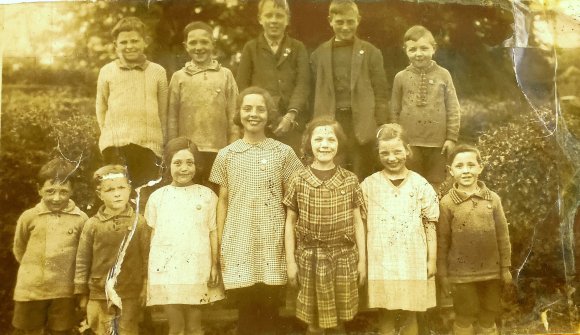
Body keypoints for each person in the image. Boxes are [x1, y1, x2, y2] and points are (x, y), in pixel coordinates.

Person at [209, 86, 303, 335]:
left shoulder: (283, 152)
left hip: (272, 241)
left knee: (270, 313)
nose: (254, 114)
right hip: (239, 240)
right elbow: (223, 202)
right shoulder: (226, 155)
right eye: (247, 108)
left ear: (269, 114)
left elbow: (294, 202)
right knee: (247, 314)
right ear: (238, 113)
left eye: (260, 109)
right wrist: (219, 243)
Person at [284, 118, 366, 335]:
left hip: (343, 257)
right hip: (310, 258)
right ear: (308, 142)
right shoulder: (299, 179)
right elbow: (290, 222)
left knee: (338, 320)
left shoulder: (350, 180)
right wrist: (291, 262)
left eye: (331, 139)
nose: (324, 144)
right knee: (314, 323)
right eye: (318, 139)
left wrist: (362, 262)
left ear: (339, 143)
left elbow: (358, 222)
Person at [360, 124, 438, 335]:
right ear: (378, 154)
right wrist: (364, 261)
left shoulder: (419, 184)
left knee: (410, 312)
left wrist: (431, 260)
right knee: (385, 312)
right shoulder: (369, 185)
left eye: (397, 151)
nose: (391, 158)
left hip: (412, 260)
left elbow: (430, 223)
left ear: (408, 150)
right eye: (385, 153)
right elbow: (363, 224)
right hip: (382, 260)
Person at [145, 137, 225, 335]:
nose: (184, 168)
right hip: (168, 272)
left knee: (194, 327)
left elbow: (213, 232)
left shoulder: (207, 196)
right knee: (176, 328)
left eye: (190, 162)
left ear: (197, 165)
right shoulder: (158, 197)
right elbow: (152, 237)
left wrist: (214, 265)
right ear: (167, 165)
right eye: (177, 163)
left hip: (197, 270)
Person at [438, 144, 512, 335]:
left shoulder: (493, 199)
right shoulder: (447, 203)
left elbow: (503, 236)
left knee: (489, 314)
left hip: (491, 272)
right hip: (461, 276)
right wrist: (444, 275)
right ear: (451, 171)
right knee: (464, 315)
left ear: (480, 167)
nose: (466, 170)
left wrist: (505, 268)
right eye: (460, 166)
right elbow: (442, 242)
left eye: (471, 165)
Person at [310, 0, 388, 179]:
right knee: (332, 173)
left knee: (361, 174)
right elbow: (313, 93)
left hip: (361, 123)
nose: (345, 27)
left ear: (358, 20)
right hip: (332, 121)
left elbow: (381, 92)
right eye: (339, 22)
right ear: (330, 20)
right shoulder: (318, 55)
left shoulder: (371, 52)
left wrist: (381, 125)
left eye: (350, 21)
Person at [12, 158, 88, 335]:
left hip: (64, 292)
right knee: (27, 331)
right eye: (50, 191)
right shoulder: (29, 217)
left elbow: (84, 255)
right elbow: (20, 249)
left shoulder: (80, 219)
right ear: (40, 190)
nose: (56, 197)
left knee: (61, 331)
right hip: (30, 290)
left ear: (72, 191)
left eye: (63, 191)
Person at [75, 165, 150, 335]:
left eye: (121, 188)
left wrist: (145, 286)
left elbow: (147, 257)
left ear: (130, 189)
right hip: (98, 293)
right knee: (101, 330)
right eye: (110, 189)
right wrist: (81, 293)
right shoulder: (92, 224)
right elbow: (82, 260)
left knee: (126, 330)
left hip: (129, 292)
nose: (117, 193)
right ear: (99, 193)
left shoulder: (139, 222)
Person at [96, 16, 168, 188]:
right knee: (117, 192)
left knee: (143, 194)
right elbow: (101, 107)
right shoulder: (107, 71)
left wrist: (163, 142)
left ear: (145, 42)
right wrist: (109, 135)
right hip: (115, 146)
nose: (129, 46)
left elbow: (164, 111)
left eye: (135, 41)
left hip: (149, 146)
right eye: (123, 42)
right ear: (115, 45)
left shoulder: (157, 72)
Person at [167, 21, 239, 188]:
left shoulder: (225, 75)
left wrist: (233, 149)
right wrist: (173, 150)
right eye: (193, 43)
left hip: (219, 151)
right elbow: (171, 118)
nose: (198, 47)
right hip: (188, 153)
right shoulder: (179, 77)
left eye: (204, 42)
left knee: (216, 195)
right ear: (185, 46)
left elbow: (234, 117)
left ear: (213, 44)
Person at [390, 25, 461, 191]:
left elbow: (453, 107)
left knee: (435, 184)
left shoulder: (444, 75)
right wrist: (397, 138)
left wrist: (451, 138)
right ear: (405, 50)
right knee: (410, 183)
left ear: (433, 48)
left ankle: (432, 217)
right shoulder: (400, 77)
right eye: (413, 49)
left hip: (438, 143)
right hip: (409, 142)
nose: (419, 53)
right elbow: (394, 110)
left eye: (424, 48)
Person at [236, 0, 310, 153]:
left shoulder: (298, 48)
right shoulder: (251, 48)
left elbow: (303, 84)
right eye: (269, 15)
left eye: (279, 16)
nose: (274, 20)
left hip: (291, 123)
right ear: (260, 19)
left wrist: (290, 116)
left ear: (287, 19)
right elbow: (243, 87)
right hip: (259, 123)